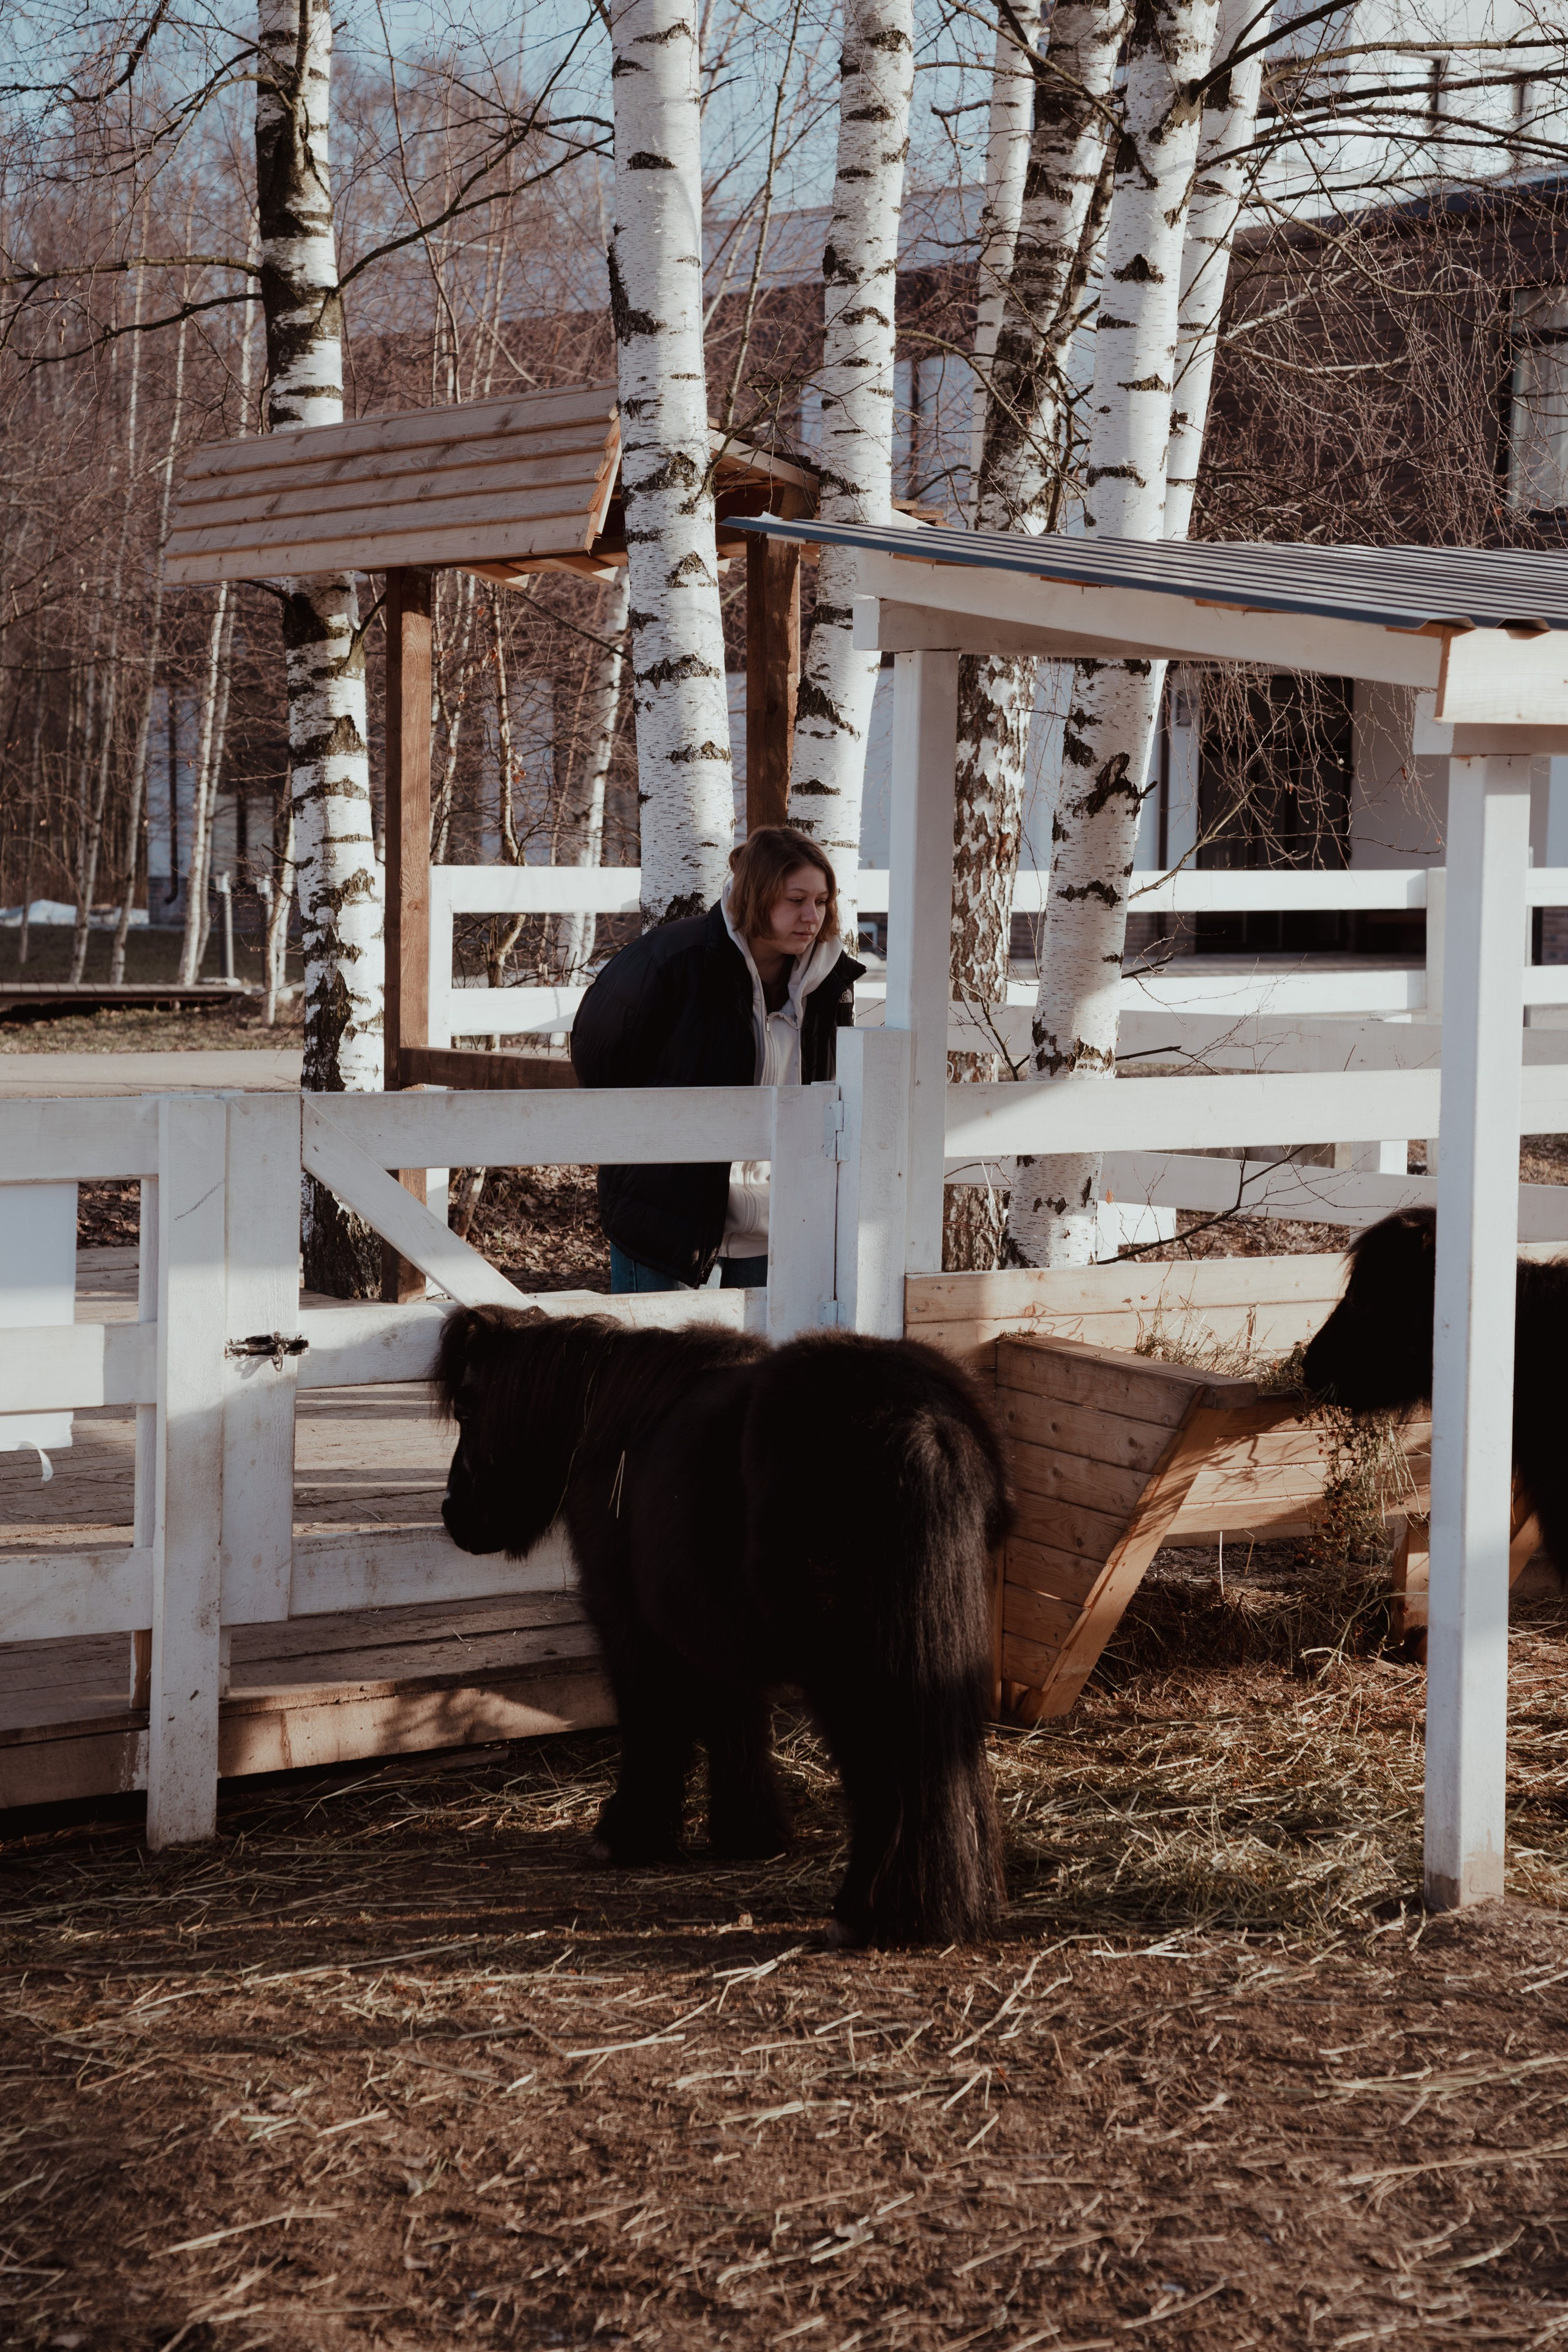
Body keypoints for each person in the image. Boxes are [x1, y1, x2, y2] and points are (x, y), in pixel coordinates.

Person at [570, 826, 865, 1292]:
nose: (812, 916)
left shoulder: (832, 983)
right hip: (669, 1217)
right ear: (756, 895)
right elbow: (599, 1056)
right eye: (795, 899)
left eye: (823, 901)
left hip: (781, 1224)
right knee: (663, 1364)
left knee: (760, 1365)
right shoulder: (672, 961)